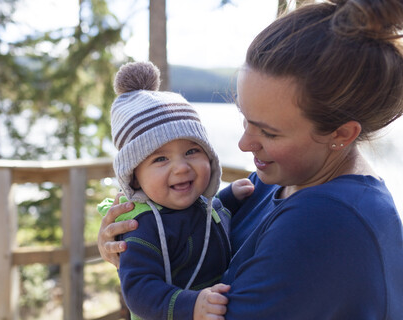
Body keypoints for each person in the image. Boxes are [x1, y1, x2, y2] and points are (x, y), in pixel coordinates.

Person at [98, 0, 403, 319]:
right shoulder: (282, 178)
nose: (245, 144)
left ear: (341, 133)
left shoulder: (326, 220)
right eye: (245, 119)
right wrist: (131, 246)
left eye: (269, 133)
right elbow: (206, 226)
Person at [97, 61, 254, 320]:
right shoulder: (142, 228)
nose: (181, 168)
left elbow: (207, 214)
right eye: (160, 159)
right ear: (134, 177)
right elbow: (139, 290)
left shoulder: (195, 203)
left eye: (192, 151)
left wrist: (230, 198)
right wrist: (191, 306)